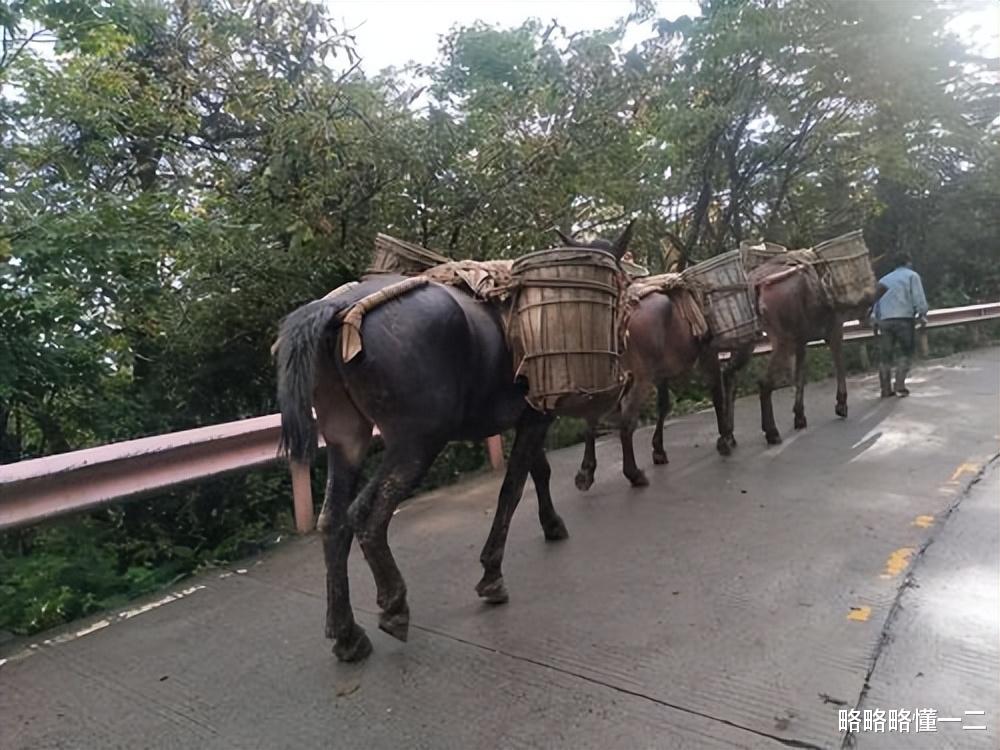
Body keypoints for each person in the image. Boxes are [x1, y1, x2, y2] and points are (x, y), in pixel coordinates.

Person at [872, 253, 929, 398]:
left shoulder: (884, 279)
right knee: (905, 352)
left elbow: (876, 302)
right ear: (908, 262)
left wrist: (876, 320)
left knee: (885, 355)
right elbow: (918, 298)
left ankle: (885, 389)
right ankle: (900, 385)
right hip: (904, 320)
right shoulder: (912, 276)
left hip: (885, 321)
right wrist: (922, 313)